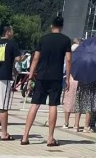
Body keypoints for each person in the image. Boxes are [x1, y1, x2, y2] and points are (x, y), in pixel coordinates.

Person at [23, 16, 72, 147]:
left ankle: (25, 136)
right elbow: (68, 60)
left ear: (52, 26)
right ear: (62, 26)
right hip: (55, 76)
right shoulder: (66, 40)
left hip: (42, 76)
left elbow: (35, 58)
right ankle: (50, 137)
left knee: (35, 104)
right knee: (53, 106)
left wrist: (30, 75)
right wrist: (67, 77)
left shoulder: (43, 39)